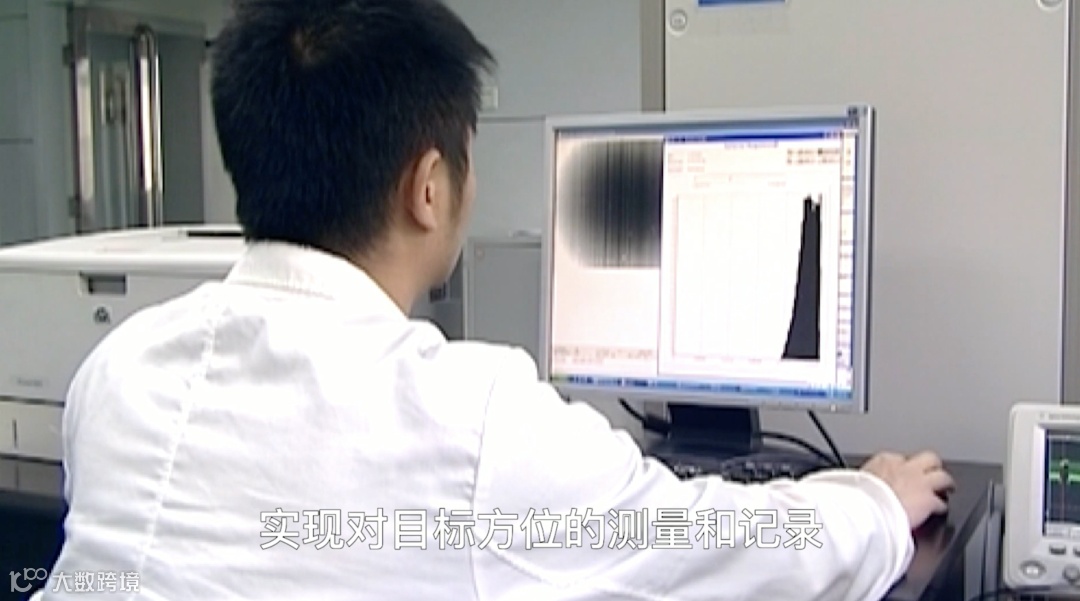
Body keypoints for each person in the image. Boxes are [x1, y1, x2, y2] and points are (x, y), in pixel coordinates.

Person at [37, 0, 955, 599]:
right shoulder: (470, 419)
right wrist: (875, 502)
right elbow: (725, 551)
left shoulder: (117, 372)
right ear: (429, 187)